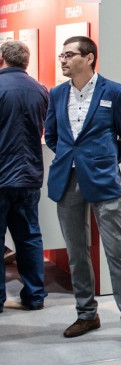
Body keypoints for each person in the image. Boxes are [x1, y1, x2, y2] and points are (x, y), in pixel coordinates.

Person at [44, 36, 121, 347]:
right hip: (67, 180)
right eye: (61, 55)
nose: (62, 59)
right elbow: (52, 136)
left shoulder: (114, 91)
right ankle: (87, 314)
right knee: (76, 253)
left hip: (103, 181)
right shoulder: (56, 93)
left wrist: (103, 161)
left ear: (88, 58)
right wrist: (71, 158)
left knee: (117, 252)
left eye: (69, 54)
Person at [0, 40, 49, 313]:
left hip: (1, 175)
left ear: (2, 58)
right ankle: (34, 295)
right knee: (29, 237)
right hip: (29, 175)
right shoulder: (40, 89)